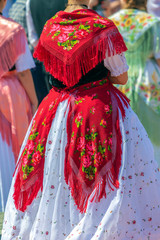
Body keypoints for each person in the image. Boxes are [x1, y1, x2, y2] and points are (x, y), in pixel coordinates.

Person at [2, 0, 160, 239]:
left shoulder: (51, 27)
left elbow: (52, 69)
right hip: (95, 109)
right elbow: (121, 77)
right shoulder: (101, 27)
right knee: (107, 178)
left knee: (54, 173)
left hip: (55, 109)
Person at [110, 0, 160, 163]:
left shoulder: (111, 22)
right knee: (152, 131)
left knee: (124, 133)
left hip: (119, 79)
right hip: (148, 82)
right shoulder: (153, 22)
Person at [0, 0, 38, 212]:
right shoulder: (13, 29)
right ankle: (12, 197)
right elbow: (23, 70)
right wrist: (34, 100)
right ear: (3, 2)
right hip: (9, 91)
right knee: (14, 145)